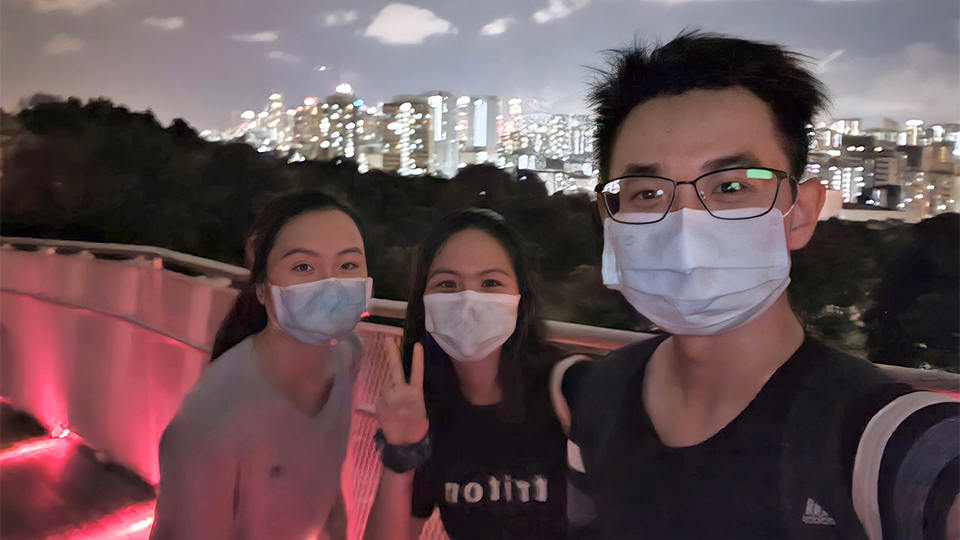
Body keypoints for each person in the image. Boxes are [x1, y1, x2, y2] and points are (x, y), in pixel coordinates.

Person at [554, 32, 960, 540]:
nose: (685, 223)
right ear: (609, 220)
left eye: (730, 187)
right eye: (648, 192)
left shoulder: (878, 440)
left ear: (801, 214)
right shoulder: (599, 398)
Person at [151, 190, 371, 540]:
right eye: (303, 267)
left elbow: (328, 490)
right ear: (263, 290)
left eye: (347, 265)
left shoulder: (347, 356)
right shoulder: (213, 417)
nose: (331, 286)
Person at [361, 209, 568, 540]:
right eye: (447, 284)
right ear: (424, 301)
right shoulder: (429, 409)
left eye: (490, 283)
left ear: (520, 297)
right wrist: (400, 458)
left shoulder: (565, 389)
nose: (468, 300)